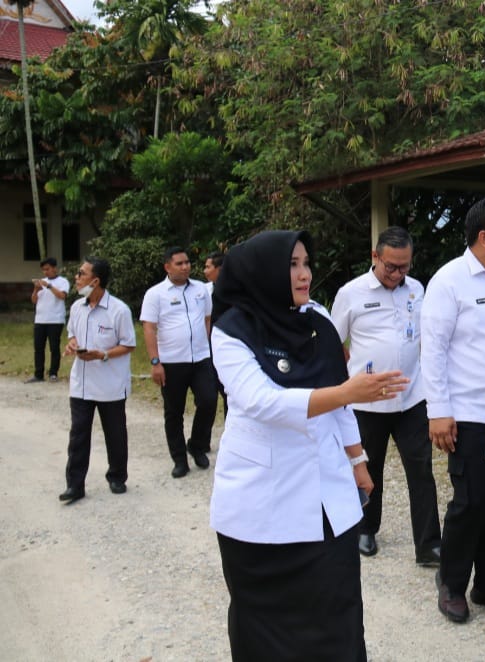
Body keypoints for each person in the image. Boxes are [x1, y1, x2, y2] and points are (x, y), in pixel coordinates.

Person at [209, 230, 408, 661]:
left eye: (306, 263)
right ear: (264, 273)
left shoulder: (317, 320)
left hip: (325, 495)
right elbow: (262, 402)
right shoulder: (231, 330)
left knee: (336, 610)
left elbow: (338, 401)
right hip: (261, 503)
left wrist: (358, 458)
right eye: (292, 265)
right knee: (264, 623)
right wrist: (349, 393)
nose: (304, 274)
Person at [422, 198, 485, 624]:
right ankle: (452, 583)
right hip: (469, 413)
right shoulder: (450, 281)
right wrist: (438, 411)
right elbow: (434, 351)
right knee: (472, 502)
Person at [331, 226, 441, 565]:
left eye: (404, 266)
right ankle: (366, 528)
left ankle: (428, 545)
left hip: (411, 398)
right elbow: (334, 342)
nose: (397, 273)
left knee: (421, 470)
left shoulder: (417, 290)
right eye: (391, 266)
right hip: (367, 402)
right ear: (375, 257)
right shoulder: (351, 292)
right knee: (369, 465)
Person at [59, 258, 136, 503]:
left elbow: (128, 344)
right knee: (78, 435)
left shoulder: (119, 310)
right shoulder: (77, 307)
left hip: (110, 384)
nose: (76, 278)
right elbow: (72, 334)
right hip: (81, 384)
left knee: (115, 433)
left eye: (81, 274)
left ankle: (117, 476)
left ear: (95, 281)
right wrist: (72, 344)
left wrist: (101, 354)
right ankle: (75, 485)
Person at [140, 247, 217, 478]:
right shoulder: (156, 294)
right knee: (174, 412)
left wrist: (211, 350)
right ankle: (179, 459)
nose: (185, 267)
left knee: (209, 401)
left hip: (201, 358)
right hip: (172, 362)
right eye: (179, 263)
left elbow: (207, 319)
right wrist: (155, 362)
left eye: (187, 263)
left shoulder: (201, 290)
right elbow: (149, 328)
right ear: (167, 267)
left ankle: (196, 444)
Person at [27, 257, 70, 383]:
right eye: (43, 270)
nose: (45, 272)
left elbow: (62, 296)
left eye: (48, 269)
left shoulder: (63, 281)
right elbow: (34, 301)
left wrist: (49, 286)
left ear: (54, 268)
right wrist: (36, 289)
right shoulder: (42, 282)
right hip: (40, 319)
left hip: (55, 320)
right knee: (38, 348)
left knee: (54, 347)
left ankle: (53, 373)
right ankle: (38, 374)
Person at [204, 251, 228, 417]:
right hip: (207, 347)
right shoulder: (203, 290)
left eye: (208, 267)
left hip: (226, 345)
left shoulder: (234, 291)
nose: (204, 271)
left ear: (219, 268)